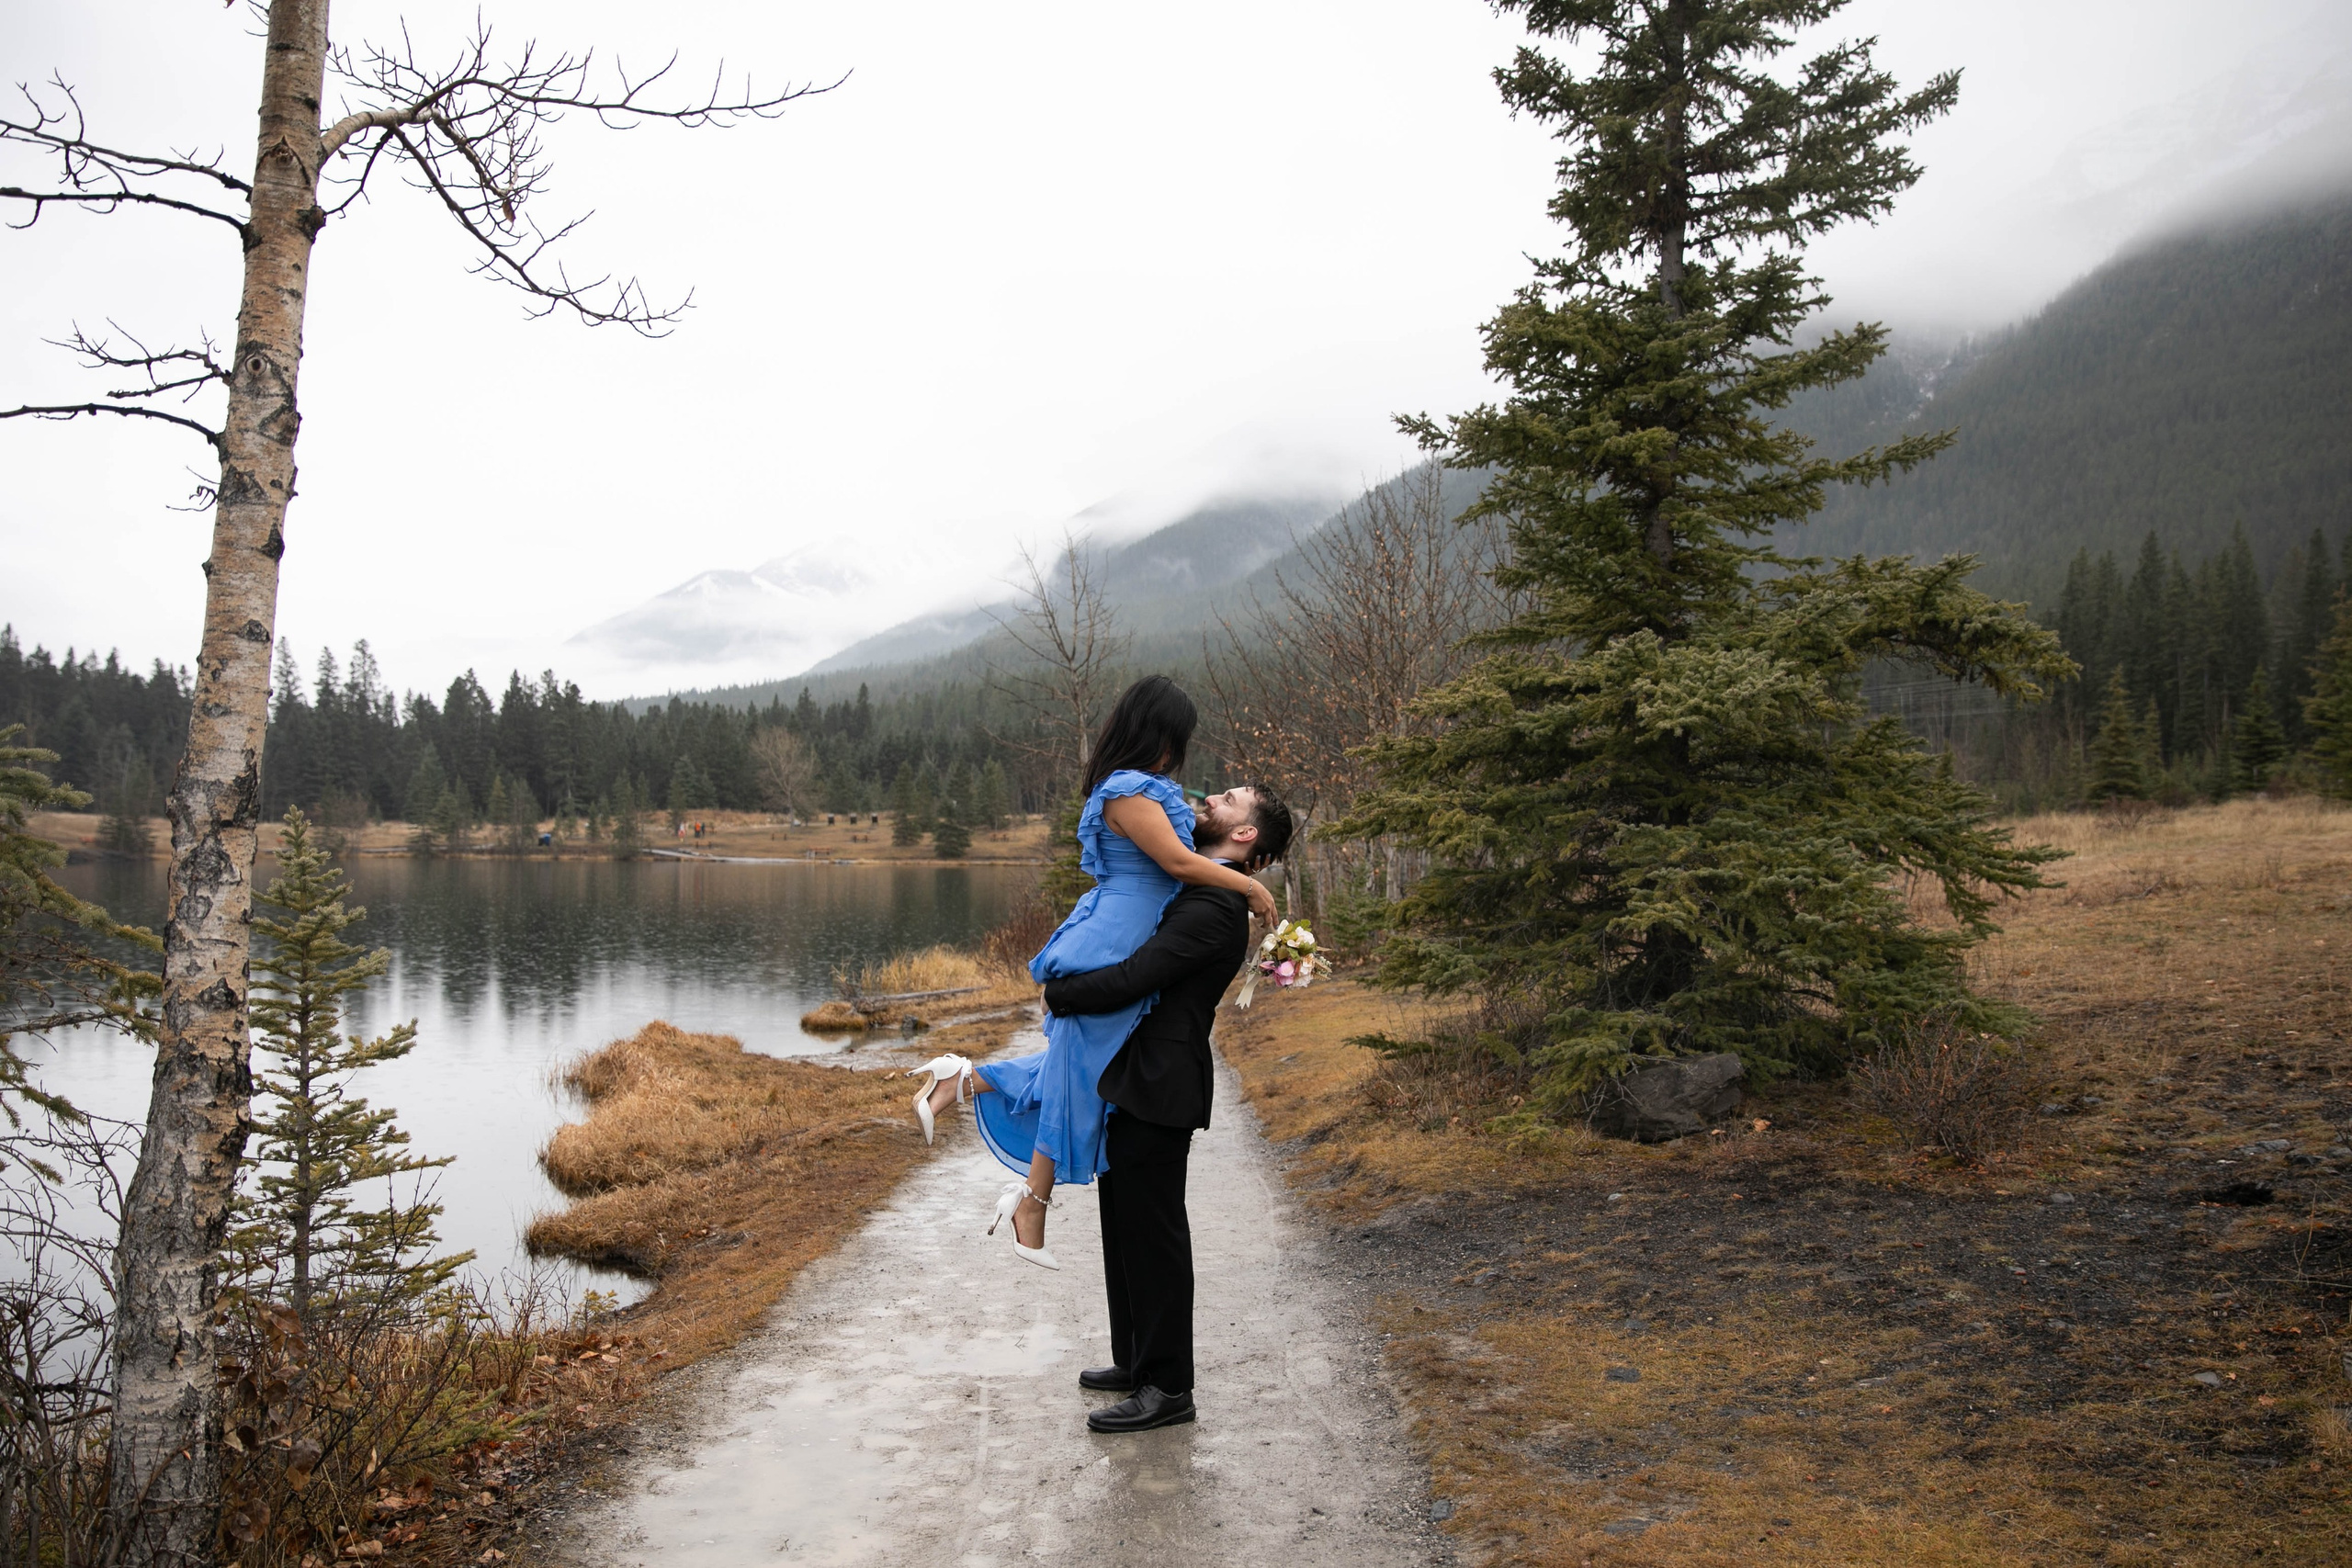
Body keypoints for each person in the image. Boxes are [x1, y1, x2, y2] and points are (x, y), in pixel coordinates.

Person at [906, 676, 1276, 1269]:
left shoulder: (1154, 789)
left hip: (1129, 923)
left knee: (1082, 1062)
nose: (1182, 748)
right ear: (1161, 731)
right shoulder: (1128, 790)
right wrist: (1250, 885)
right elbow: (1180, 862)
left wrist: (1242, 859)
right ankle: (1032, 1197)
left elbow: (1197, 846)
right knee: (1081, 1068)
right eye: (1180, 735)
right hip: (1119, 930)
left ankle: (969, 1086)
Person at [1045, 779, 1294, 1433]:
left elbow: (1137, 974)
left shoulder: (1214, 905)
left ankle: (1169, 1387)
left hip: (1161, 1081)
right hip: (1135, 1076)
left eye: (1231, 799)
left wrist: (1062, 992)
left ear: (1245, 835)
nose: (1212, 798)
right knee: (1123, 1223)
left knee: (1154, 1233)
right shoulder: (1201, 883)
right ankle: (1135, 1360)